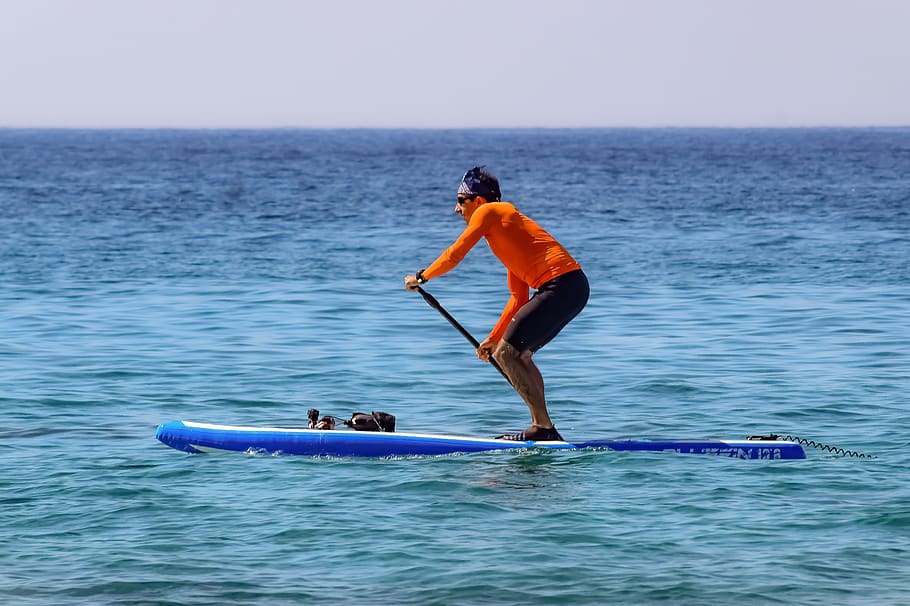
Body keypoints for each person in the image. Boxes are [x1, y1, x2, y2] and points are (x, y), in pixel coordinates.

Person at [404, 166, 589, 441]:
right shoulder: (507, 232)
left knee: (507, 355)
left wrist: (421, 276)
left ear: (478, 200)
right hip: (573, 288)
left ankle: (543, 428)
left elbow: (456, 253)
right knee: (519, 355)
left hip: (562, 286)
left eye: (460, 201)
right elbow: (518, 298)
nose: (457, 210)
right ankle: (544, 428)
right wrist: (492, 338)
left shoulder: (490, 211)